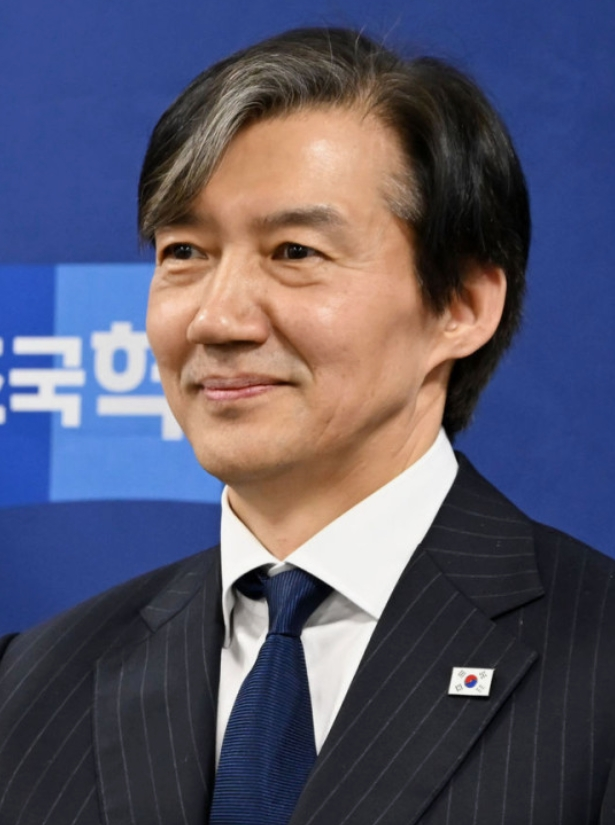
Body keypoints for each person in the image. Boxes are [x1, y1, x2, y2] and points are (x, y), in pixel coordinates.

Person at [0, 26, 614, 825]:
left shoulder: (595, 658)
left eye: (293, 251)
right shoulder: (30, 683)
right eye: (183, 251)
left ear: (460, 305)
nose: (217, 319)